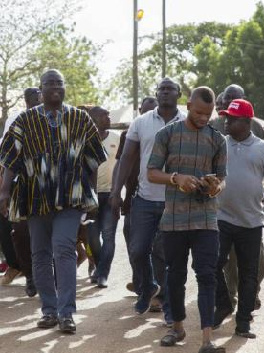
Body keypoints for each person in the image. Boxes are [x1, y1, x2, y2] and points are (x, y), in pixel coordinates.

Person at [0, 69, 106, 334]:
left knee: (63, 248)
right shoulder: (24, 120)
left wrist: (89, 195)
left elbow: (93, 161)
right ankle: (48, 310)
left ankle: (66, 313)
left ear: (65, 87)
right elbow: (10, 160)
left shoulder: (80, 119)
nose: (55, 87)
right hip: (35, 198)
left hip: (71, 198)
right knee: (40, 254)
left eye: (60, 83)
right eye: (50, 83)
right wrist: (3, 192)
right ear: (41, 88)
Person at [147, 86, 227, 353]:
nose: (204, 117)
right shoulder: (167, 134)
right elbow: (151, 173)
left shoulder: (217, 139)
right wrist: (176, 178)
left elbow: (222, 179)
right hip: (174, 221)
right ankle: (177, 328)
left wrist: (215, 186)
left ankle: (206, 340)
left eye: (209, 113)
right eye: (199, 112)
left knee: (207, 276)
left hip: (206, 219)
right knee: (175, 276)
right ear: (188, 104)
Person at [109, 78, 185, 321]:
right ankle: (148, 286)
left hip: (175, 201)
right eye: (161, 89)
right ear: (156, 93)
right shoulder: (140, 122)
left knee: (169, 258)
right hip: (144, 198)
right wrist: (116, 191)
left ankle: (171, 312)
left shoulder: (188, 122)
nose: (165, 93)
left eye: (169, 89)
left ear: (178, 94)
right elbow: (127, 158)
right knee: (138, 250)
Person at [213, 99, 264, 338]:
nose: (227, 121)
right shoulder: (220, 144)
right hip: (220, 218)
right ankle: (224, 303)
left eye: (232, 119)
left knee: (249, 274)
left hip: (251, 222)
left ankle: (243, 322)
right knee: (211, 264)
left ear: (246, 122)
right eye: (226, 117)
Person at [209, 84, 264, 313]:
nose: (228, 103)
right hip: (220, 205)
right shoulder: (215, 126)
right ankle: (230, 298)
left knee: (255, 260)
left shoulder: (257, 128)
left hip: (250, 208)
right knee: (225, 258)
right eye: (226, 100)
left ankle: (251, 291)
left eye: (235, 99)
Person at [0, 87, 42, 297]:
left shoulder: (53, 118)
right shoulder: (15, 118)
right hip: (18, 184)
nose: (34, 99)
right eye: (30, 97)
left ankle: (43, 276)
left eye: (37, 96)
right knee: (8, 227)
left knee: (40, 232)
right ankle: (24, 270)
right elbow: (5, 154)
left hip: (44, 185)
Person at [114, 97, 158, 298]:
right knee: (135, 244)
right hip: (133, 198)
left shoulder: (166, 133)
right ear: (140, 111)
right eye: (145, 110)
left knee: (157, 247)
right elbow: (121, 162)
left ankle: (152, 289)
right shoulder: (129, 133)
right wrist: (116, 191)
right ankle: (141, 280)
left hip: (158, 198)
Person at [87, 106, 120, 288]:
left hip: (111, 194)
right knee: (92, 238)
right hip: (90, 195)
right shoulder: (85, 139)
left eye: (108, 114)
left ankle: (102, 274)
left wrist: (119, 191)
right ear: (93, 118)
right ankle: (100, 267)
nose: (108, 117)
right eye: (103, 115)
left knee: (108, 236)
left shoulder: (117, 138)